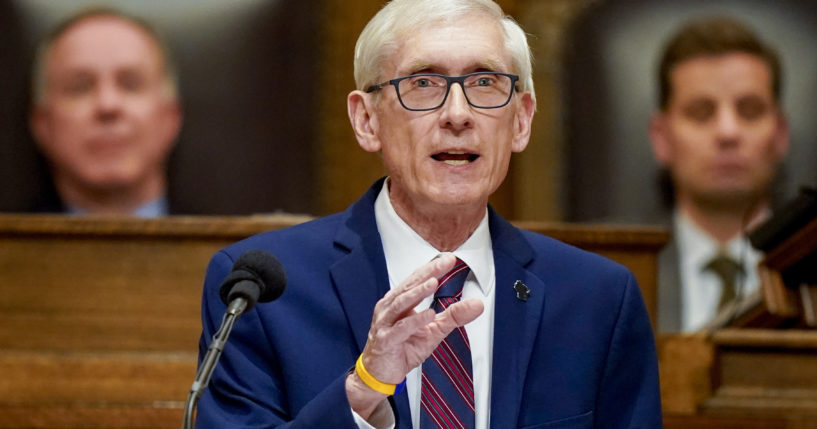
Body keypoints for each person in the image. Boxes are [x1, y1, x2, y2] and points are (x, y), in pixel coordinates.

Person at [196, 0, 661, 427]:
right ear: (367, 121)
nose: (457, 114)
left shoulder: (598, 301)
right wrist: (361, 394)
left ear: (521, 120)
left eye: (485, 82)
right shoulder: (262, 298)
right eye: (423, 83)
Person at [648, 17, 789, 332]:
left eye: (750, 110)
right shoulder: (615, 269)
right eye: (701, 112)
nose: (728, 132)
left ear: (780, 134)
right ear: (661, 138)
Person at [28, 8, 182, 216]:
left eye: (131, 85)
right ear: (43, 125)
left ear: (170, 118)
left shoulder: (232, 245)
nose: (107, 105)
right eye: (79, 88)